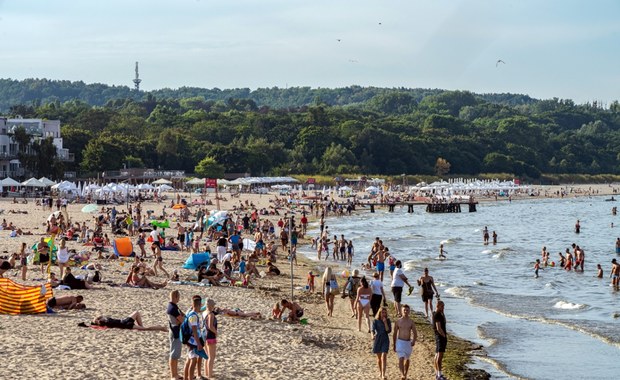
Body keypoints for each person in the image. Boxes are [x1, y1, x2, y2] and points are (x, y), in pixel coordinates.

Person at [393, 304, 418, 380]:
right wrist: (394, 344)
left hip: (408, 343)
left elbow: (415, 333)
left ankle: (405, 374)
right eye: (404, 310)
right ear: (401, 311)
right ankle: (402, 374)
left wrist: (413, 340)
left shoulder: (411, 322)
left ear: (409, 311)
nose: (406, 311)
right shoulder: (398, 321)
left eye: (407, 310)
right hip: (400, 342)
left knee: (407, 359)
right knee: (401, 358)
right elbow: (394, 334)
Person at [183, 295, 204, 380]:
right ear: (198, 305)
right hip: (193, 342)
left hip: (189, 340)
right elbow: (194, 331)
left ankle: (186, 378)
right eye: (200, 306)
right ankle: (190, 378)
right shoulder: (194, 316)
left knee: (188, 360)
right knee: (193, 360)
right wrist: (199, 343)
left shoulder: (190, 313)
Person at [167, 290, 184, 380]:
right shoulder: (172, 308)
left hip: (175, 330)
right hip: (175, 332)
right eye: (179, 297)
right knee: (174, 354)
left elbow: (181, 317)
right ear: (175, 297)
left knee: (175, 354)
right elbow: (181, 320)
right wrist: (181, 319)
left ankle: (175, 374)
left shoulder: (173, 306)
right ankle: (173, 375)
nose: (179, 299)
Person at [91, 311, 166, 331]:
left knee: (136, 312)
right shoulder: (103, 322)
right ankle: (160, 327)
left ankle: (141, 326)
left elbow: (99, 316)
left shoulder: (105, 319)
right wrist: (96, 320)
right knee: (146, 329)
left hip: (124, 321)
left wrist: (97, 318)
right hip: (126, 325)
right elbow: (97, 321)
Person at [372, 307, 391, 380]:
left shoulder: (388, 320)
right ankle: (380, 372)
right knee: (379, 358)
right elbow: (372, 329)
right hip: (378, 339)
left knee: (384, 356)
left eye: (385, 312)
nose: (384, 314)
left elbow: (388, 331)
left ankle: (383, 374)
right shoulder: (376, 321)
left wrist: (385, 322)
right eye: (382, 312)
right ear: (379, 313)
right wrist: (372, 335)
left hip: (385, 339)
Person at [202, 298, 218, 379]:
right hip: (210, 336)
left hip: (204, 335)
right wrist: (216, 332)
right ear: (211, 306)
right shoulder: (211, 314)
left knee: (207, 356)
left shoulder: (204, 312)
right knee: (211, 357)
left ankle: (206, 372)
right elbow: (210, 326)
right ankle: (209, 375)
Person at [433, 301, 447, 380]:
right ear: (437, 306)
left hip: (439, 337)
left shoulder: (439, 314)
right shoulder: (437, 315)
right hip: (440, 337)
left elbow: (445, 321)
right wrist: (443, 335)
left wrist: (443, 312)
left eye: (443, 306)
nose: (443, 308)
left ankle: (437, 374)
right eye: (442, 306)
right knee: (439, 356)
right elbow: (438, 328)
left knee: (437, 355)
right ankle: (439, 375)